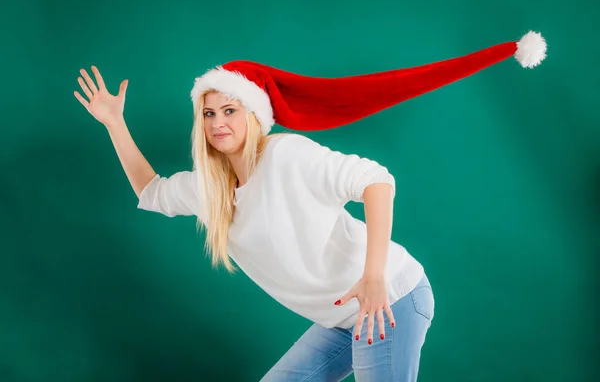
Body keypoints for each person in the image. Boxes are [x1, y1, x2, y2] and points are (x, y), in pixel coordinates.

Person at [74, 31, 546, 381]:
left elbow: (377, 181)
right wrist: (114, 123)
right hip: (339, 318)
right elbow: (151, 192)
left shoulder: (286, 155)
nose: (219, 122)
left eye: (230, 110)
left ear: (254, 114)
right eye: (209, 113)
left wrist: (375, 276)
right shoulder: (210, 188)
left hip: (390, 300)